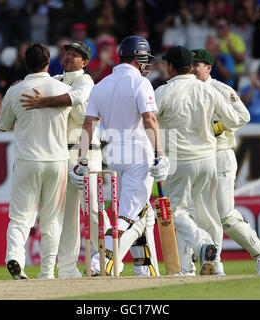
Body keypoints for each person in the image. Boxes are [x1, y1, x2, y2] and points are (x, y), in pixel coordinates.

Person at [69, 35, 169, 276]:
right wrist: (160, 155)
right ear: (138, 58)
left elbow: (89, 124)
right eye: (145, 59)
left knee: (142, 213)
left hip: (113, 153)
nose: (148, 64)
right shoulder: (140, 83)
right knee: (130, 214)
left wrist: (81, 159)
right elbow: (149, 119)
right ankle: (100, 261)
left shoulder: (101, 84)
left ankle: (145, 268)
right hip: (138, 151)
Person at [20, 40, 110, 278]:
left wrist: (44, 101)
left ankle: (108, 258)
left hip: (87, 153)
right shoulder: (55, 81)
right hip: (61, 155)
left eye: (75, 55)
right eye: (67, 53)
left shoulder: (86, 81)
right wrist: (23, 87)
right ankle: (68, 267)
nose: (69, 57)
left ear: (86, 62)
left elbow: (74, 100)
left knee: (93, 210)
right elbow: (37, 91)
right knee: (67, 214)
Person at [0, 43, 72, 280]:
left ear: (26, 63)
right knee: (52, 219)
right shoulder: (62, 88)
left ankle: (15, 257)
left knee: (21, 217)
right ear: (48, 61)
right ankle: (46, 273)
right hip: (57, 160)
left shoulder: (16, 90)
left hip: (27, 160)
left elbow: (3, 125)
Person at [185, 48, 260, 276]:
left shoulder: (220, 89)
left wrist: (219, 127)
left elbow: (244, 116)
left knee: (224, 215)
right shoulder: (187, 89)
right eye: (191, 64)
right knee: (200, 215)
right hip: (197, 157)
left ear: (208, 68)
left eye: (198, 65)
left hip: (221, 155)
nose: (193, 69)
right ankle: (214, 264)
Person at [155, 45, 241, 275]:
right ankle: (216, 264)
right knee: (209, 214)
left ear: (171, 67)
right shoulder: (209, 90)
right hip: (207, 161)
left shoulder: (163, 92)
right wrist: (215, 126)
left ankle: (203, 245)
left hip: (179, 162)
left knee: (176, 213)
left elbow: (148, 121)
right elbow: (233, 119)